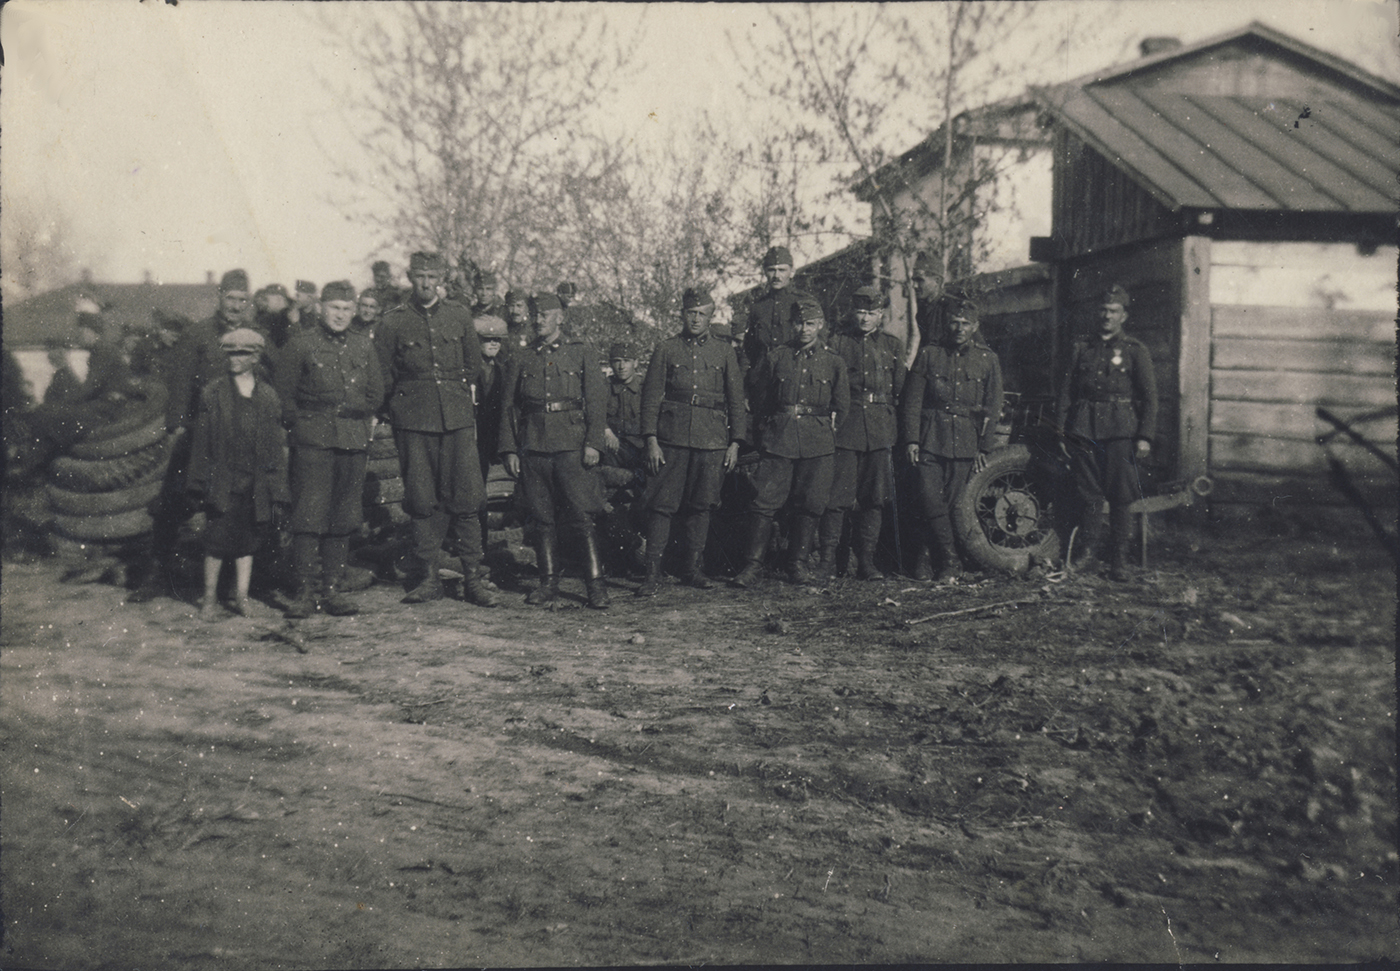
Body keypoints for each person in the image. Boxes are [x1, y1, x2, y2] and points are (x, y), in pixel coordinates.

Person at [130, 268, 264, 603]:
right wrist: (176, 424)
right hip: (201, 431)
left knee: (240, 504)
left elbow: (272, 373)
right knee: (174, 501)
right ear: (219, 297)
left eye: (242, 300)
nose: (236, 305)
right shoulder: (198, 334)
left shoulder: (255, 335)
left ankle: (237, 581)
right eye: (231, 298)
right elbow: (181, 381)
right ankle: (157, 573)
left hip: (242, 436)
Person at [374, 252, 498, 607]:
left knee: (467, 496)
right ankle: (428, 579)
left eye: (432, 276)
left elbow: (472, 364)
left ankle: (473, 578)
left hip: (456, 419)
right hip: (413, 421)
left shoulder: (458, 315)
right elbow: (382, 373)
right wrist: (398, 408)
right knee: (421, 498)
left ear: (441, 278)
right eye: (420, 276)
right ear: (410, 277)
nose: (426, 283)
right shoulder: (393, 321)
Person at [276, 281, 386, 618]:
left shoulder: (363, 345)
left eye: (347, 309)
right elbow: (284, 396)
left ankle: (332, 590)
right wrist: (304, 426)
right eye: (335, 308)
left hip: (352, 439)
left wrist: (356, 415)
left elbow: (376, 392)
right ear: (322, 308)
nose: (340, 315)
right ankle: (304, 592)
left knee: (343, 516)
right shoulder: (300, 344)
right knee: (309, 515)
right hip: (313, 439)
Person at [498, 291, 610, 609]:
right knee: (541, 518)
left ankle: (595, 585)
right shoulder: (522, 356)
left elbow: (596, 401)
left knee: (581, 516)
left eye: (544, 315)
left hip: (571, 446)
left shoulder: (581, 352)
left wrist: (593, 443)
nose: (537, 320)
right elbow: (508, 407)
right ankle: (548, 584)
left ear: (560, 318)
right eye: (534, 315)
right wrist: (509, 449)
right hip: (533, 446)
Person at [731, 298, 848, 587]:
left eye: (810, 324)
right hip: (779, 439)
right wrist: (768, 433)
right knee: (763, 501)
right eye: (798, 323)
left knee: (810, 503)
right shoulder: (776, 357)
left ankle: (797, 564)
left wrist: (827, 432)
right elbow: (761, 400)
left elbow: (842, 406)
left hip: (817, 441)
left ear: (820, 325)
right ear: (791, 325)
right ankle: (752, 566)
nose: (804, 329)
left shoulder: (834, 361)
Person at [636, 287, 745, 595]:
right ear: (682, 314)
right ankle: (652, 573)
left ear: (711, 317)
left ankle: (692, 569)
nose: (696, 319)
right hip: (671, 438)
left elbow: (736, 400)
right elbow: (650, 397)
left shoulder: (724, 352)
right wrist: (651, 439)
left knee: (702, 505)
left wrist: (735, 442)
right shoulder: (666, 348)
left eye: (702, 314)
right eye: (691, 313)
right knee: (662, 505)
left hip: (711, 440)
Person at [1055, 283, 1158, 582]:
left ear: (1124, 316)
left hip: (1120, 431)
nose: (1107, 316)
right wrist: (1062, 431)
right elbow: (1066, 393)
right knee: (1088, 494)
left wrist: (1144, 436)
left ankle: (1119, 560)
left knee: (1121, 496)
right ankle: (1088, 555)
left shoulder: (1135, 350)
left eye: (1114, 311)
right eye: (1103, 310)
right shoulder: (1081, 348)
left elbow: (1150, 398)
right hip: (1084, 428)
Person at [900, 288, 1004, 582]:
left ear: (975, 326)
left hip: (965, 442)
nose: (959, 328)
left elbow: (993, 405)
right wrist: (911, 439)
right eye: (954, 322)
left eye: (965, 323)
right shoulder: (930, 354)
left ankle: (929, 558)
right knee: (929, 500)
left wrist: (985, 447)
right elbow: (912, 401)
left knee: (950, 504)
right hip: (930, 438)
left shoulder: (987, 359)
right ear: (947, 324)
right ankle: (950, 560)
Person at [186, 328, 289, 619]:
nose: (235, 359)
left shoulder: (267, 396)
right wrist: (198, 486)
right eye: (230, 354)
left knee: (247, 541)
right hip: (222, 480)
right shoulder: (213, 393)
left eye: (242, 354)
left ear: (255, 358)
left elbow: (274, 446)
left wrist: (277, 488)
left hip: (254, 481)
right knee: (216, 541)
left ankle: (241, 596)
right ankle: (209, 599)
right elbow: (201, 443)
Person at [820, 285, 906, 580]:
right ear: (852, 312)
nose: (865, 318)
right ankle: (828, 560)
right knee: (837, 497)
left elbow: (900, 389)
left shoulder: (893, 346)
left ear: (881, 315)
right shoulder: (837, 342)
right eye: (860, 312)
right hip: (847, 427)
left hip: (881, 429)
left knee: (874, 498)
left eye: (872, 313)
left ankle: (866, 562)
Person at [738, 245, 817, 382]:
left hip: (793, 376)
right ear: (765, 272)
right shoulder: (758, 307)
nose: (776, 276)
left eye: (782, 270)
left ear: (792, 272)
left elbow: (818, 344)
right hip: (762, 379)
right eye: (771, 270)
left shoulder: (805, 301)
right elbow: (749, 350)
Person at [603, 341, 647, 495]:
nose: (621, 366)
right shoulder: (603, 387)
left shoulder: (646, 387)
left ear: (636, 363)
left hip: (640, 447)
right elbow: (593, 412)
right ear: (610, 363)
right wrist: (606, 431)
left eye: (626, 361)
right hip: (612, 447)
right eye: (617, 361)